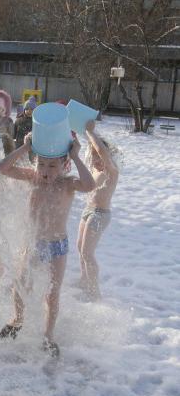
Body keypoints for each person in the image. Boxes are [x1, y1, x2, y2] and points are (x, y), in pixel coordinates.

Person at [0, 132, 95, 357]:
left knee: (52, 293)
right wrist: (24, 148)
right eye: (42, 164)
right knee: (21, 285)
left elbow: (89, 185)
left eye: (52, 166)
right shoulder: (32, 177)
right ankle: (17, 320)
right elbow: (3, 168)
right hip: (33, 242)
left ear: (64, 165)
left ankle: (48, 335)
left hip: (57, 246)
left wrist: (77, 156)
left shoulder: (68, 184)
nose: (46, 171)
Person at [77, 120, 119, 301]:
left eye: (100, 156)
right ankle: (84, 281)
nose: (97, 159)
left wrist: (90, 133)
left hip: (100, 214)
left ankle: (94, 291)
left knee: (88, 253)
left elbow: (102, 151)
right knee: (80, 249)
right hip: (88, 210)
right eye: (93, 156)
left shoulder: (111, 170)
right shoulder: (94, 169)